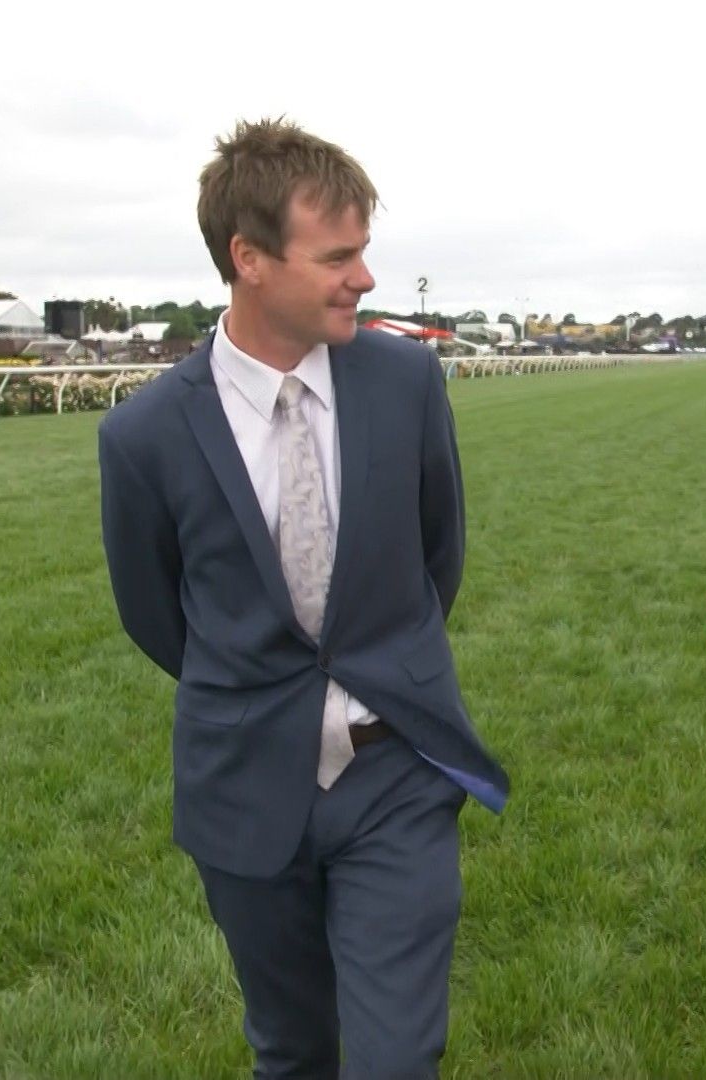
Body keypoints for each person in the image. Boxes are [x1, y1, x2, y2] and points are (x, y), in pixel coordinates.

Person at [96, 118, 508, 1079]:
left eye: (363, 250)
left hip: (395, 768)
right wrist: (263, 687)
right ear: (249, 259)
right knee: (291, 1052)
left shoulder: (406, 381)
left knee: (394, 1061)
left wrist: (379, 665)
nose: (364, 276)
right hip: (244, 788)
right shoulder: (144, 436)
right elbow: (156, 615)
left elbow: (437, 554)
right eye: (337, 257)